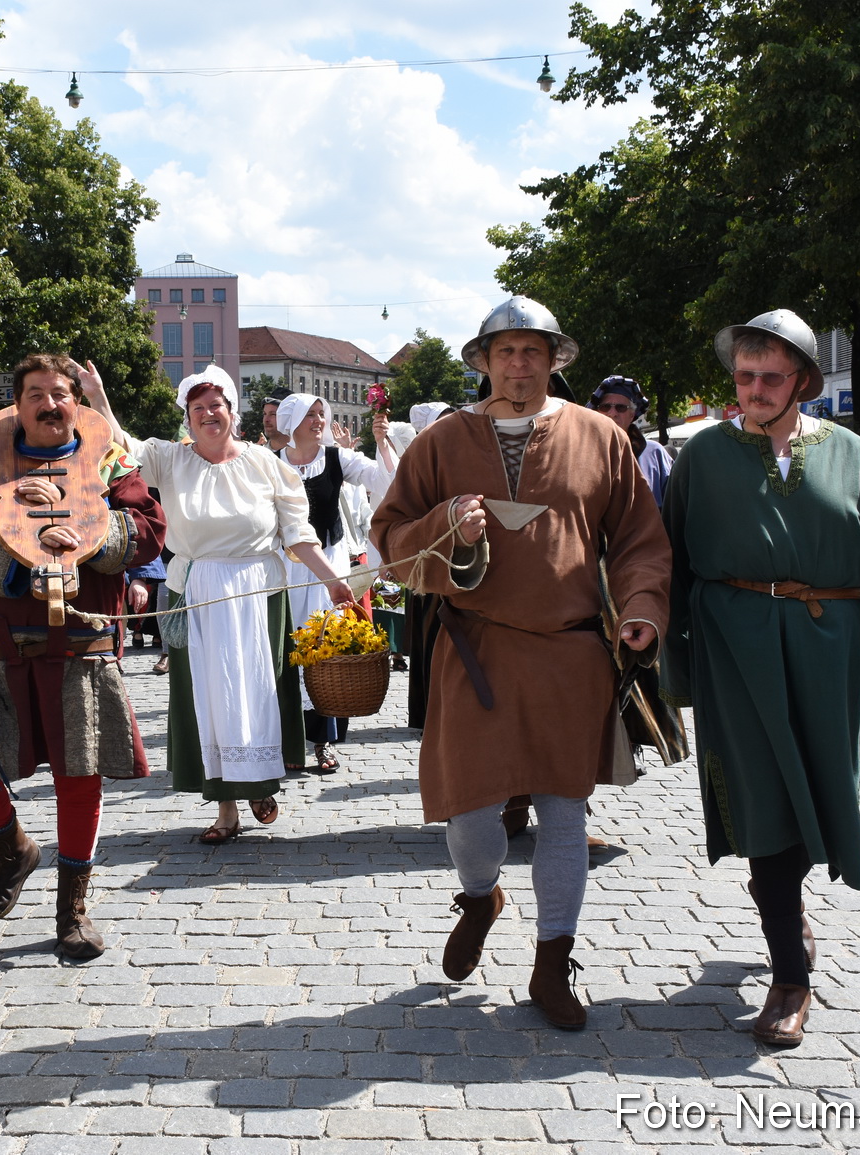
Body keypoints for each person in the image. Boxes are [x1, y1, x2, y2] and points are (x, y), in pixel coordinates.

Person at [662, 308, 860, 1049]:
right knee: (761, 795)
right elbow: (666, 565)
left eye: (770, 376)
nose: (754, 388)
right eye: (744, 376)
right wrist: (672, 669)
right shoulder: (702, 456)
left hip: (833, 651)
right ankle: (790, 972)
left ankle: (786, 915)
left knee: (823, 787)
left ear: (800, 381)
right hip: (736, 648)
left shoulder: (855, 454)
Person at [371, 295, 671, 1031]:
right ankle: (480, 894)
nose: (519, 364)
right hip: (475, 652)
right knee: (469, 813)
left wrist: (640, 608)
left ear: (554, 360)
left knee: (565, 815)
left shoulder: (601, 437)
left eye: (533, 351)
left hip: (570, 653)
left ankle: (551, 962)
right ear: (483, 362)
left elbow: (638, 538)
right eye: (505, 351)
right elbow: (391, 534)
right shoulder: (441, 442)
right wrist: (448, 526)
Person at [0, 353, 166, 958]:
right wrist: (19, 551)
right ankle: (14, 850)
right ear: (18, 404)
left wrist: (90, 533)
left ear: (74, 401)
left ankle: (73, 909)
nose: (49, 403)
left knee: (78, 775)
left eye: (60, 392)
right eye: (35, 392)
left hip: (79, 645)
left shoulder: (108, 460)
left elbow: (148, 527)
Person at [81, 364, 353, 844]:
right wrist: (100, 396)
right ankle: (226, 806)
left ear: (233, 413)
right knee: (209, 697)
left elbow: (297, 532)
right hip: (199, 588)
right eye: (198, 408)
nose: (209, 415)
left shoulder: (266, 464)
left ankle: (260, 782)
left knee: (256, 692)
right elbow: (119, 444)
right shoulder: (171, 460)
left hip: (257, 590)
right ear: (188, 419)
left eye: (217, 406)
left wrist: (332, 580)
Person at [273, 393, 396, 772]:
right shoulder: (269, 464)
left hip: (329, 568)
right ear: (290, 422)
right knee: (284, 652)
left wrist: (382, 441)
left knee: (327, 647)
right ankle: (287, 742)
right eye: (309, 415)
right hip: (282, 571)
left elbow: (385, 481)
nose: (319, 421)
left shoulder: (337, 458)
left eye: (320, 414)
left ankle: (324, 743)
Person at [590, 375, 673, 507]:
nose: (612, 413)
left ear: (632, 415)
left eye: (621, 407)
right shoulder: (582, 455)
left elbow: (675, 506)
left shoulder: (654, 453)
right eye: (605, 407)